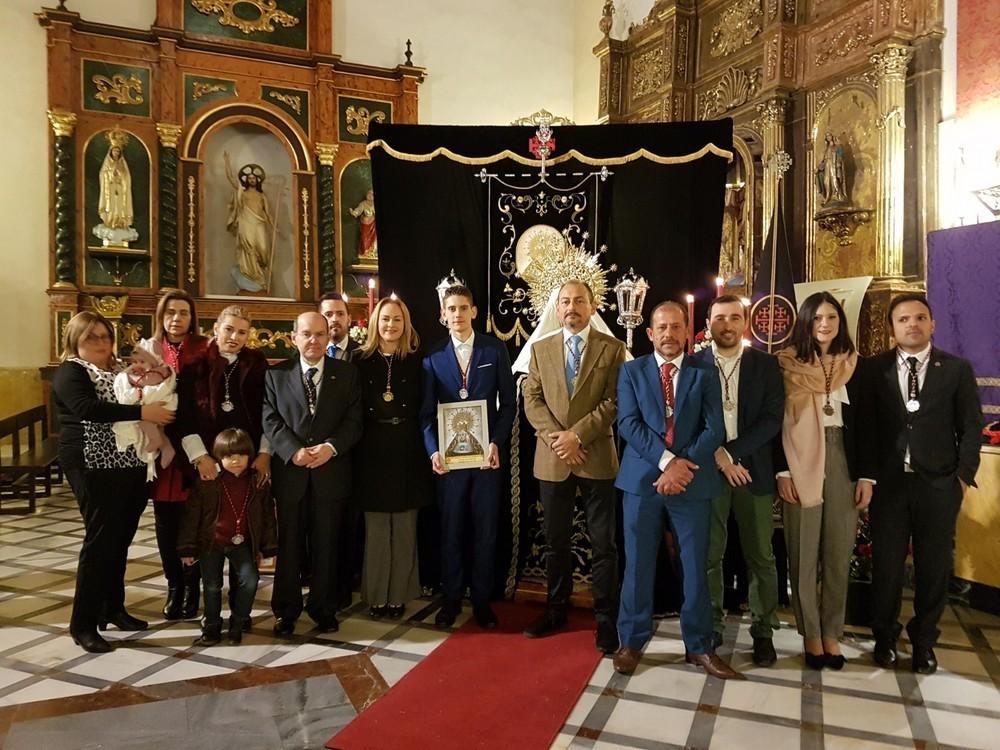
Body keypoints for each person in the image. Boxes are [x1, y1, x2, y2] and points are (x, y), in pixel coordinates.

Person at [612, 301, 743, 680]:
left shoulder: (704, 373)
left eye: (675, 327)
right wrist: (667, 462)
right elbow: (628, 423)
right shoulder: (632, 371)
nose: (668, 334)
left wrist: (681, 467)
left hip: (692, 482)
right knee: (637, 565)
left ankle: (699, 646)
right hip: (643, 483)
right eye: (662, 328)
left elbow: (714, 428)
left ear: (687, 332)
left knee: (696, 568)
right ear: (650, 333)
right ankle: (631, 642)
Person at [864, 293, 982, 674]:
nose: (911, 324)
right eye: (903, 319)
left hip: (939, 484)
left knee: (934, 569)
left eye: (919, 318)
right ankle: (884, 637)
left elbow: (971, 426)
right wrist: (865, 476)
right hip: (889, 485)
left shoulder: (956, 369)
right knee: (886, 567)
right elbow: (866, 428)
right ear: (892, 329)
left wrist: (962, 477)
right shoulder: (874, 368)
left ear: (932, 324)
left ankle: (924, 641)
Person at [52, 311, 175, 652]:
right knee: (100, 540)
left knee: (120, 539)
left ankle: (112, 607)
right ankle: (83, 624)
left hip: (129, 461)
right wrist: (143, 413)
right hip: (91, 462)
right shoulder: (72, 370)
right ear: (75, 339)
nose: (101, 343)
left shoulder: (120, 368)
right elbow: (86, 408)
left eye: (105, 336)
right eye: (91, 336)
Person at [522, 281, 625, 654]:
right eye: (565, 301)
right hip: (553, 458)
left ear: (592, 306)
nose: (571, 307)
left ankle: (606, 619)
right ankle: (555, 610)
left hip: (595, 457)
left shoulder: (612, 348)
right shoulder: (540, 348)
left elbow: (614, 401)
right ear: (557, 307)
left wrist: (577, 436)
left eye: (579, 301)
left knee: (604, 544)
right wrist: (558, 439)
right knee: (555, 542)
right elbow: (532, 398)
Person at [776, 291, 873, 670]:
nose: (824, 324)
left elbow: (867, 424)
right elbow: (774, 420)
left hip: (843, 458)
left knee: (838, 551)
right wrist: (782, 470)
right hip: (799, 460)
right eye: (816, 318)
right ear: (805, 322)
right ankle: (811, 634)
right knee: (803, 552)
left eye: (831, 317)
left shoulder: (855, 365)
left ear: (840, 322)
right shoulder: (785, 364)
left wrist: (866, 475)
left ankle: (832, 632)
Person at [420, 284, 516, 629]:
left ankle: (482, 601)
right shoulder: (432, 357)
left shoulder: (495, 348)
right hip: (450, 463)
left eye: (463, 308)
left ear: (474, 311)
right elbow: (426, 414)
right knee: (451, 531)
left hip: (487, 460)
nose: (457, 314)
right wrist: (433, 450)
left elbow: (509, 404)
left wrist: (496, 442)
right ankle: (450, 599)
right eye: (452, 309)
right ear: (443, 315)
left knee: (485, 531)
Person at [695, 295, 784, 666]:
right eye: (719, 318)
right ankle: (712, 624)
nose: (727, 325)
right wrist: (717, 456)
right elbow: (688, 419)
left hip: (752, 471)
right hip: (708, 473)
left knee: (761, 555)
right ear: (708, 324)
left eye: (734, 318)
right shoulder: (694, 364)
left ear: (745, 323)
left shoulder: (766, 364)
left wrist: (731, 454)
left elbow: (772, 418)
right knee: (709, 554)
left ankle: (763, 630)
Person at [264, 312, 362, 635]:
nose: (314, 341)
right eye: (306, 334)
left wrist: (331, 447)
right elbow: (270, 419)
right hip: (291, 475)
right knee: (289, 546)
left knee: (326, 545)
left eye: (320, 334)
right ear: (294, 337)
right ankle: (286, 610)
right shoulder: (276, 375)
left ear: (328, 337)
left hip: (330, 473)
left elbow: (354, 421)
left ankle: (324, 608)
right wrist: (293, 451)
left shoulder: (347, 374)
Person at [355, 297, 433, 619]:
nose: (391, 325)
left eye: (397, 320)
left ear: (405, 324)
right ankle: (376, 596)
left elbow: (427, 407)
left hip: (408, 449)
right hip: (371, 449)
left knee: (404, 527)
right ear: (376, 322)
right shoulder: (358, 359)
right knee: (376, 528)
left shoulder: (418, 361)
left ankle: (399, 594)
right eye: (385, 319)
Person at [141, 289, 208, 621]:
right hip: (159, 448)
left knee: (192, 522)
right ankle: (174, 585)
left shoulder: (205, 349)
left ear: (192, 318)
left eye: (183, 312)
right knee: (165, 523)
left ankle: (193, 585)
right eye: (170, 312)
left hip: (192, 447)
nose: (177, 318)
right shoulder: (148, 349)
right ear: (161, 316)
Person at [178, 429, 278, 647]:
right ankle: (211, 626)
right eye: (228, 456)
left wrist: (269, 547)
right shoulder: (208, 481)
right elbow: (192, 517)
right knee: (212, 585)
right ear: (218, 457)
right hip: (211, 543)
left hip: (242, 544)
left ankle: (238, 621)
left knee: (250, 580)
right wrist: (187, 548)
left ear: (250, 455)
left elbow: (267, 516)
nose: (235, 460)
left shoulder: (257, 482)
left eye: (241, 455)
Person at [224, 153, 274, 292]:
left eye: (254, 178)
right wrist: (227, 162)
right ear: (247, 180)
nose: (252, 180)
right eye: (250, 178)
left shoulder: (261, 195)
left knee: (263, 249)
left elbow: (267, 213)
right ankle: (250, 275)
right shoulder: (243, 193)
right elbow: (231, 179)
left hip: (259, 223)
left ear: (257, 180)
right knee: (248, 248)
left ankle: (258, 274)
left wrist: (274, 226)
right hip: (246, 222)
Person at [320, 292, 360, 362]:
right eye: (328, 314)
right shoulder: (311, 351)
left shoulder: (363, 354)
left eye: (340, 314)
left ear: (349, 320)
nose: (335, 319)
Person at [349, 189, 377, 260]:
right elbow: (358, 211)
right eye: (368, 194)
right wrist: (353, 212)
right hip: (365, 225)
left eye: (371, 194)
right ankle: (364, 253)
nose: (369, 195)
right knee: (364, 238)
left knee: (373, 239)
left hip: (372, 225)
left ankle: (372, 253)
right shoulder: (363, 203)